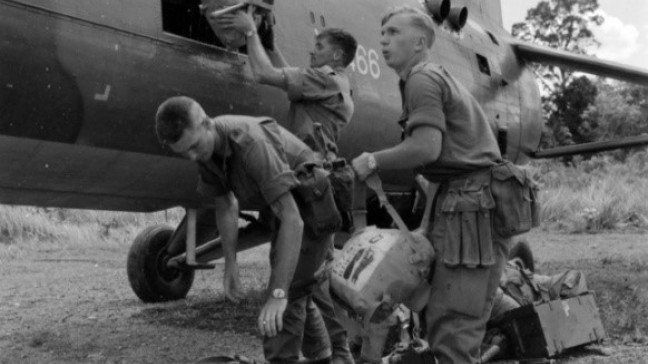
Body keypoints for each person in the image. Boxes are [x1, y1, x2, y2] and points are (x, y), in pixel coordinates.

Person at [351, 6, 513, 363]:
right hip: (460, 201)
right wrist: (426, 226)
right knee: (442, 317)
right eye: (383, 32)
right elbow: (444, 166)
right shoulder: (427, 76)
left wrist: (373, 160)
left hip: (471, 209)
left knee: (455, 325)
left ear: (421, 42)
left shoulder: (422, 78)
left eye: (394, 32)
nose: (383, 39)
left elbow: (427, 147)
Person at [217, 9, 359, 364]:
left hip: (311, 186)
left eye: (319, 45)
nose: (311, 51)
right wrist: (267, 39)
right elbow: (284, 71)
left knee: (294, 283)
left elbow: (265, 73)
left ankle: (321, 355)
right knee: (313, 281)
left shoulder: (325, 79)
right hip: (314, 184)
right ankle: (330, 354)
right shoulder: (329, 83)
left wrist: (250, 34)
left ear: (336, 56)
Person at [155, 96, 340, 364]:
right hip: (281, 207)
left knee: (283, 301)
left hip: (311, 205)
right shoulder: (206, 148)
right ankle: (325, 358)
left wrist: (277, 294)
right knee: (298, 289)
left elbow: (293, 220)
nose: (193, 156)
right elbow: (225, 203)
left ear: (207, 123)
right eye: (185, 153)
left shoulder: (251, 143)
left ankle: (299, 358)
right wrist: (231, 262)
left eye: (194, 146)